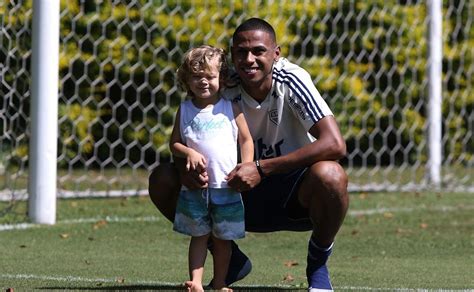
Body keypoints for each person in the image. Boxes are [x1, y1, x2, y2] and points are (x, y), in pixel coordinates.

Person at [149, 18, 349, 291]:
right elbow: (186, 133)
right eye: (241, 52)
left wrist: (261, 167)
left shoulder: (291, 79)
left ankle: (317, 264)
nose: (249, 59)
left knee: (331, 175)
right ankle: (229, 260)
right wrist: (187, 170)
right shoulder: (221, 84)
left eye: (258, 51)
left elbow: (335, 144)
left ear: (276, 53)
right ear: (231, 55)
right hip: (230, 189)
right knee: (162, 178)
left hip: (292, 196)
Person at [169, 45, 254, 292]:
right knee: (199, 236)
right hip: (196, 188)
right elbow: (174, 143)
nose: (203, 82)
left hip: (226, 187)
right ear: (186, 80)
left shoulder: (230, 108)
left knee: (222, 239)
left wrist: (246, 166)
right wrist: (189, 152)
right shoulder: (184, 110)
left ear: (222, 79)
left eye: (210, 76)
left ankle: (220, 282)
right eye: (196, 76)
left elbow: (246, 139)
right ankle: (195, 282)